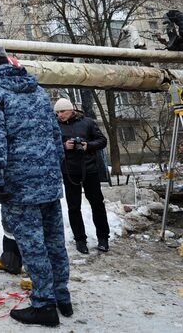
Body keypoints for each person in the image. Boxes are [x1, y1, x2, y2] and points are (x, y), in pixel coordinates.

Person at [0, 46, 71, 327]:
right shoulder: (38, 91)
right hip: (49, 180)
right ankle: (61, 296)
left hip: (20, 184)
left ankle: (43, 305)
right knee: (55, 241)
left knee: (32, 245)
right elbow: (56, 136)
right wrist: (55, 170)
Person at [54, 97, 110, 254]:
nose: (60, 115)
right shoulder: (55, 125)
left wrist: (88, 145)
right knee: (74, 207)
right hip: (69, 170)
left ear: (71, 109)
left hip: (89, 169)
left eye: (62, 111)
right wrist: (64, 146)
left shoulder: (87, 122)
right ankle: (80, 240)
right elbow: (50, 145)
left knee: (97, 204)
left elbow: (102, 141)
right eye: (57, 112)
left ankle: (103, 238)